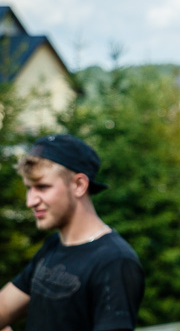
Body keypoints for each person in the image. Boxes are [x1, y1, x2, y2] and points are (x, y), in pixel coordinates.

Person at [0, 134, 144, 331]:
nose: (30, 201)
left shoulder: (115, 261)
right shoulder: (53, 246)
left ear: (79, 185)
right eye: (29, 188)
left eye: (42, 187)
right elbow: (3, 308)